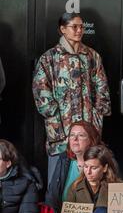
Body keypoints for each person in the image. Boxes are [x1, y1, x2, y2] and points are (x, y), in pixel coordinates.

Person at [32, 13, 111, 183]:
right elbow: (40, 91)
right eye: (74, 26)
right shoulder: (49, 58)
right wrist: (55, 117)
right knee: (59, 181)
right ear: (62, 29)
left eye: (81, 26)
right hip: (61, 132)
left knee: (92, 177)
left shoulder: (92, 56)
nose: (79, 30)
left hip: (89, 129)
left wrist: (97, 116)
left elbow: (102, 88)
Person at [43, 121, 103, 213]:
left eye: (81, 135)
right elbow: (52, 196)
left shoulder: (101, 162)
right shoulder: (64, 160)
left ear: (91, 140)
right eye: (72, 135)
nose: (75, 139)